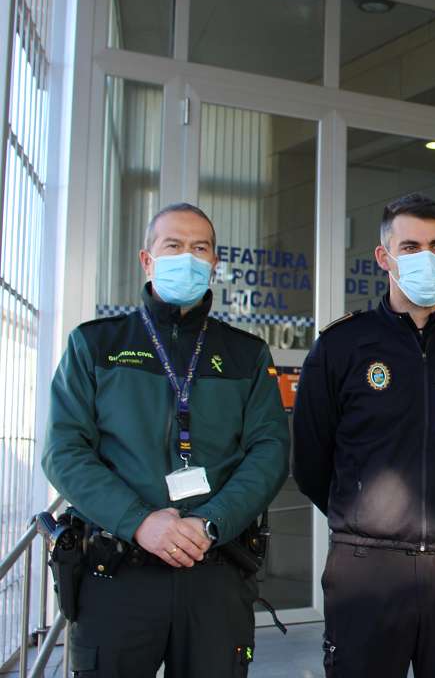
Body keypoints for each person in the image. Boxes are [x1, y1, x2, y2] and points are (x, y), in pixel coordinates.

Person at [41, 202, 290, 677]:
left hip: (215, 570)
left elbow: (270, 451)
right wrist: (139, 522)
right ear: (147, 259)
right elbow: (64, 452)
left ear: (216, 262)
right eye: (173, 245)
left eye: (201, 248)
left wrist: (211, 522)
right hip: (118, 572)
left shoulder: (246, 354)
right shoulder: (95, 345)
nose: (188, 257)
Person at [292, 193, 435, 678]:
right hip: (366, 568)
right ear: (384, 257)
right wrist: (363, 518)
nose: (427, 258)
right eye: (411, 246)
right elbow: (311, 460)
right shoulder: (342, 345)